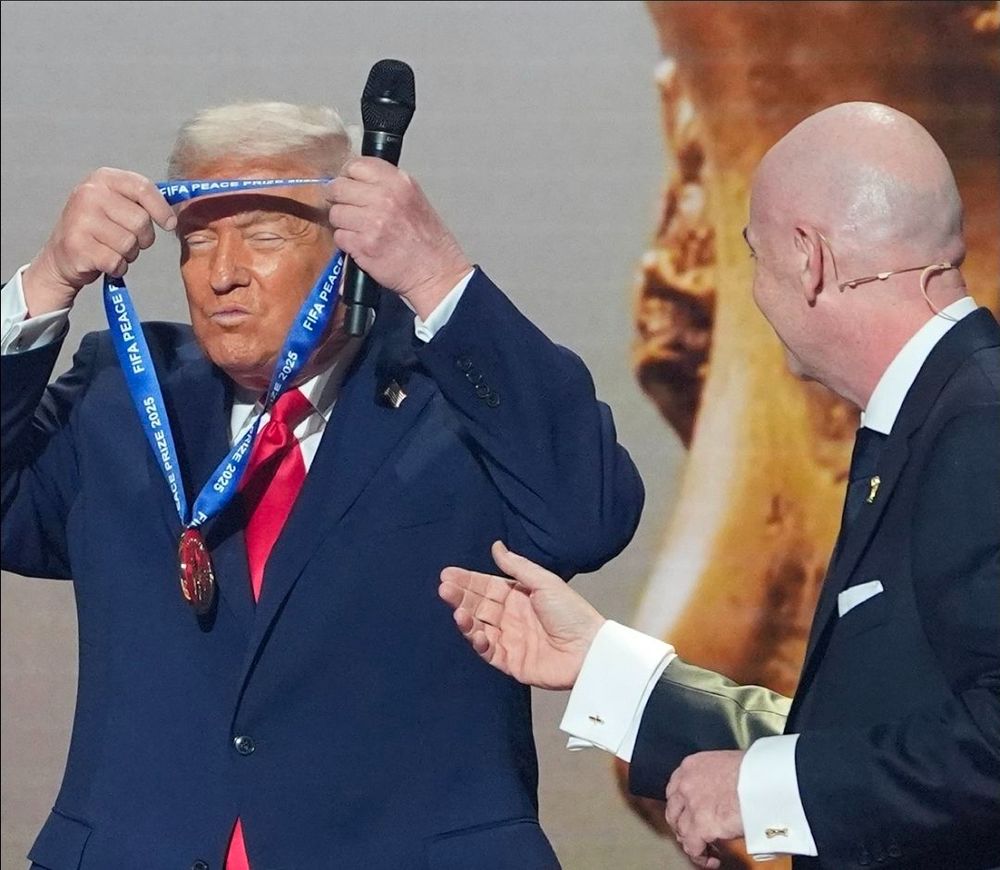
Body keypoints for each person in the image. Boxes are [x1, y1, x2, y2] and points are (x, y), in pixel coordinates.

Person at [0, 101, 644, 869]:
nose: (222, 273)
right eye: (197, 241)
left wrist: (436, 275)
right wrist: (45, 283)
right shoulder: (123, 393)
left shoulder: (458, 396)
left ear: (351, 246)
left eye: (264, 236)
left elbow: (585, 519)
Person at [439, 102, 1000, 870]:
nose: (755, 290)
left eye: (753, 254)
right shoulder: (932, 421)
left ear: (810, 258)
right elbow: (869, 740)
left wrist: (768, 790)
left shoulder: (979, 429)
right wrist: (602, 666)